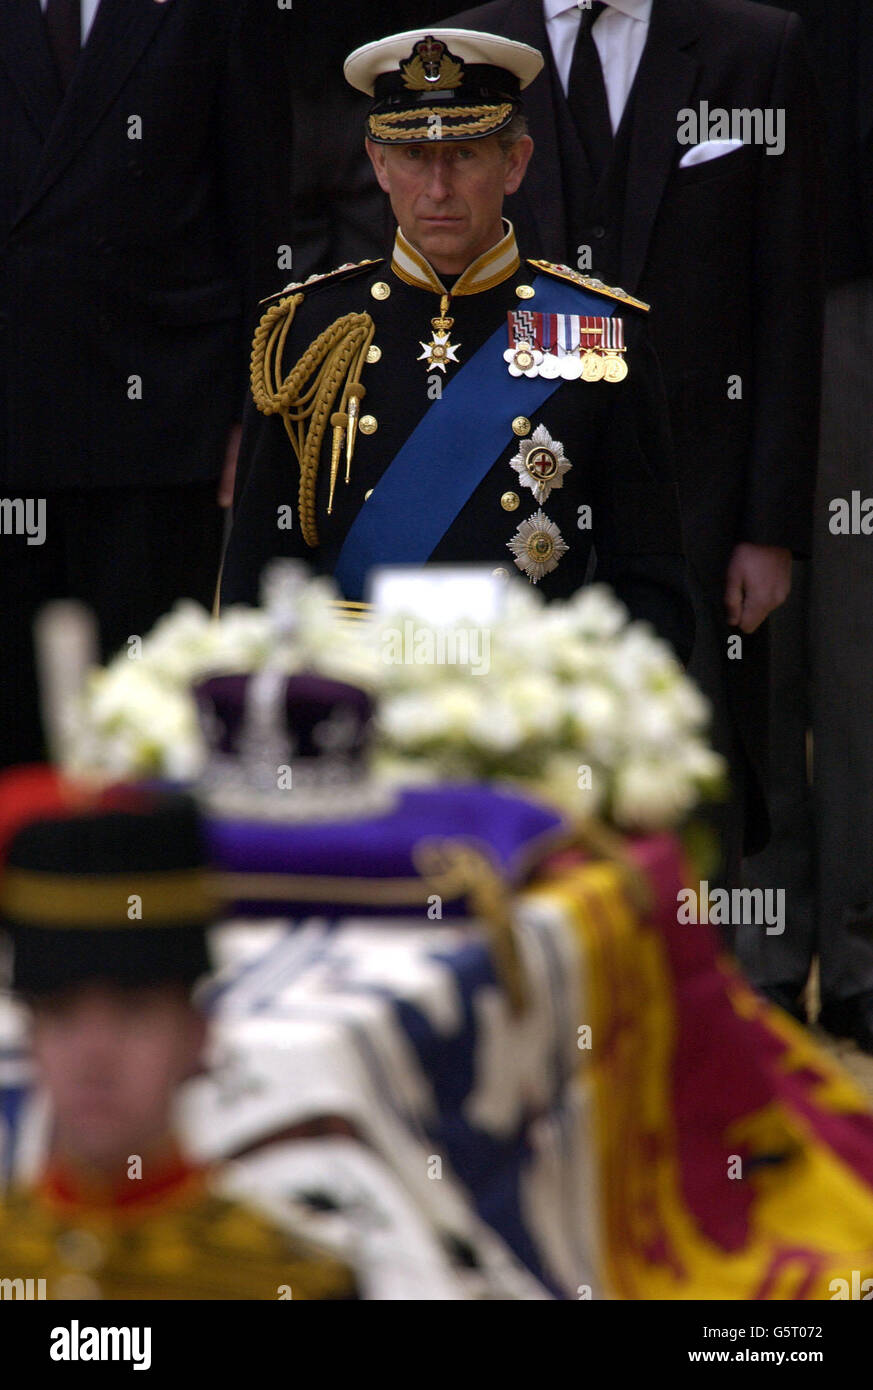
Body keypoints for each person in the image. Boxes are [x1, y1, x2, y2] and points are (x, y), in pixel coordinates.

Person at [446, 0, 824, 890]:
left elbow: (786, 301)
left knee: (690, 796)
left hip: (698, 505)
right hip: (506, 498)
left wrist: (771, 528)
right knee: (521, 785)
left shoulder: (753, 50)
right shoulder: (469, 46)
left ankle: (695, 1013)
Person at [221, 28, 694, 667]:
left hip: (526, 703)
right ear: (378, 164)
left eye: (465, 156)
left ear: (516, 162)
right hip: (348, 696)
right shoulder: (307, 331)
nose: (437, 188)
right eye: (414, 157)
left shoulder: (600, 334)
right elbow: (258, 568)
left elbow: (648, 580)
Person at [0, 0, 293, 767]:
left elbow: (260, 217)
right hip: (13, 412)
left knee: (150, 715)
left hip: (161, 416)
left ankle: (146, 883)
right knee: (15, 724)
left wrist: (250, 412)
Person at [0, 773, 359, 1299]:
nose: (94, 1054)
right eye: (62, 1015)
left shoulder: (290, 1284)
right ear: (31, 1039)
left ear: (197, 1034)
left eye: (133, 1012)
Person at [737, 0, 873, 1047]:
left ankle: (860, 958)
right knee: (758, 642)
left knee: (856, 654)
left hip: (850, 291)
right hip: (722, 285)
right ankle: (767, 948)